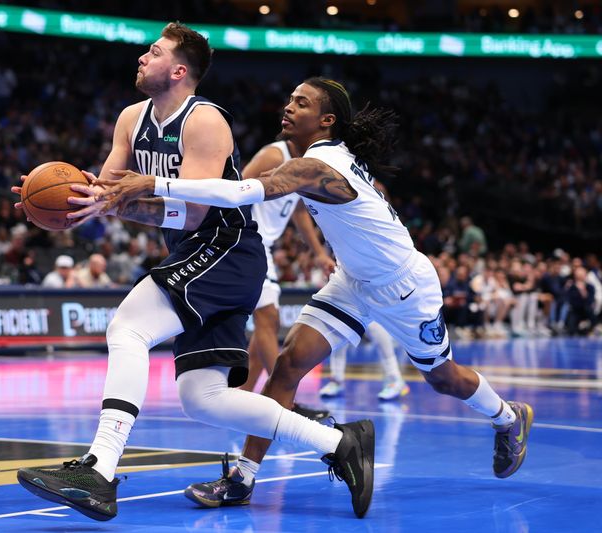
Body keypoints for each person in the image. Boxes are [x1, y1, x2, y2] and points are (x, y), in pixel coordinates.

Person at [95, 77, 534, 510]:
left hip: (403, 285)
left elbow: (243, 192)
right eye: (289, 99)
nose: (288, 107)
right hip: (352, 281)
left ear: (325, 121)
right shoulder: (315, 160)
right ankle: (243, 479)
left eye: (300, 103)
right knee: (286, 366)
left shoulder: (319, 164)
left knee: (444, 378)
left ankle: (508, 417)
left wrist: (154, 184)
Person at [14, 26, 373, 522]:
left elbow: (196, 213)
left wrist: (115, 204)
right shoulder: (129, 119)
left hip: (226, 248)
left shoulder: (205, 122)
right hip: (202, 255)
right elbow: (110, 189)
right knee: (203, 399)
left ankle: (98, 469)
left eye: (155, 52)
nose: (142, 57)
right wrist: (68, 200)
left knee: (128, 328)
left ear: (179, 71)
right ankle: (339, 441)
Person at [236, 137, 333, 420]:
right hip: (249, 241)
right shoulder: (272, 155)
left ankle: (240, 402)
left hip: (262, 246)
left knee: (263, 331)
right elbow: (235, 189)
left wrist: (318, 253)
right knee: (268, 319)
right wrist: (237, 238)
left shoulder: (305, 165)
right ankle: (285, 403)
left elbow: (299, 210)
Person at [319, 321, 410, 401]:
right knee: (339, 335)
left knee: (378, 333)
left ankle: (395, 380)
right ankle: (336, 381)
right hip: (350, 305)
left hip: (372, 305)